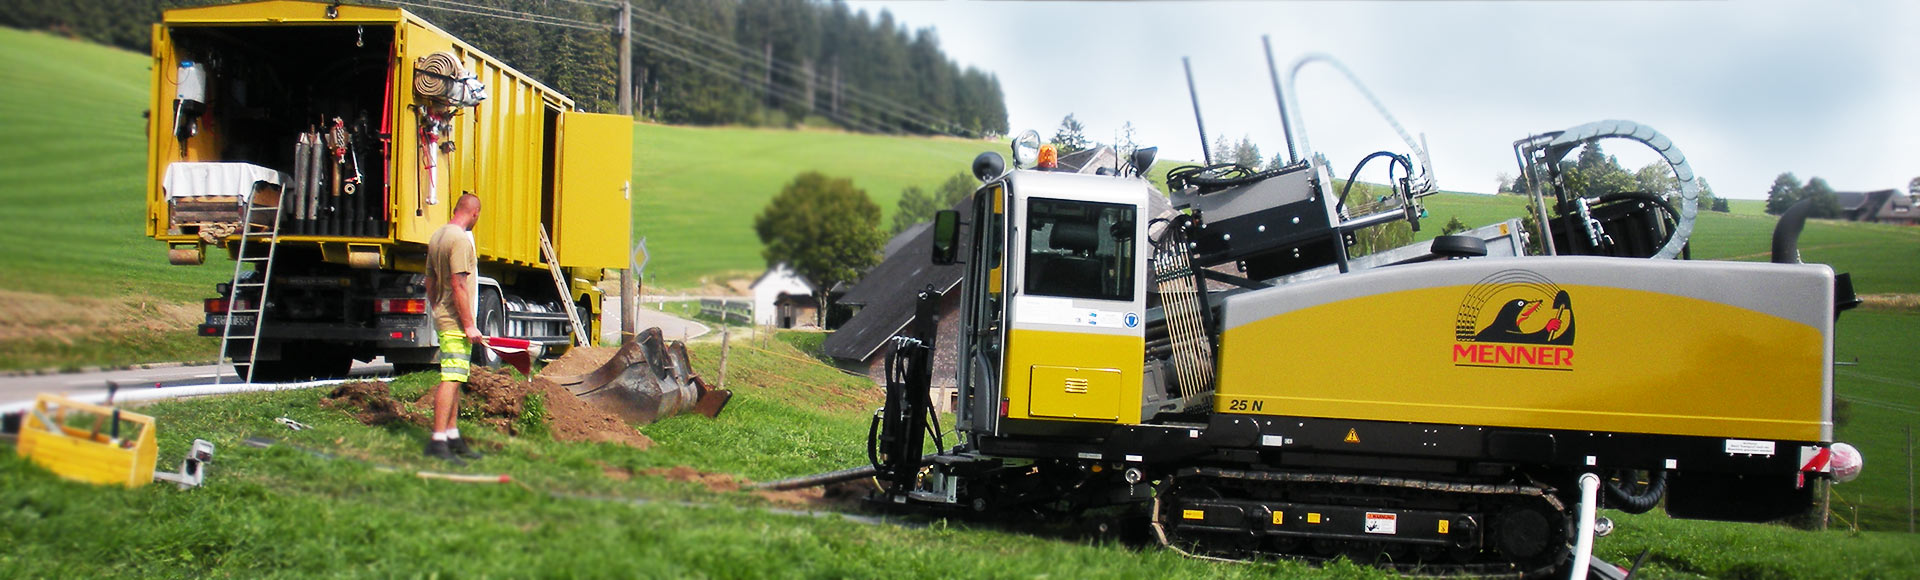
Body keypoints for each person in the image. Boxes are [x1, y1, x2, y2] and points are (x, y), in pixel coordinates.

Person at [422, 192, 485, 463]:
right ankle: (438, 440)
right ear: (474, 213)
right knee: (451, 378)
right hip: (456, 321)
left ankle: (452, 435)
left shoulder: (438, 236)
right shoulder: (460, 240)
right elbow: (459, 284)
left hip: (444, 315)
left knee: (457, 376)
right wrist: (469, 324)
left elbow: (429, 282)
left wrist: (436, 306)